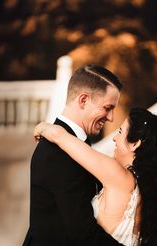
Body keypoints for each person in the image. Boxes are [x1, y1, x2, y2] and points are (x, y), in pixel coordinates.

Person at [34, 107, 157, 246]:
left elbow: (59, 136)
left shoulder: (119, 177)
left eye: (120, 132)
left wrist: (42, 127)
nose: (114, 139)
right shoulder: (144, 190)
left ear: (135, 144)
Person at [23, 64, 123, 246]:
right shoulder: (59, 154)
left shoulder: (71, 144)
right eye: (107, 108)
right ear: (83, 100)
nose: (111, 118)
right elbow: (81, 232)